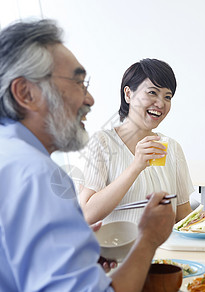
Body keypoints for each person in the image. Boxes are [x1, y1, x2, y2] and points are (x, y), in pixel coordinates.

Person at [0, 18, 175, 292]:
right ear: (26, 93)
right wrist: (149, 239)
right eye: (78, 82)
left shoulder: (11, 156)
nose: (90, 99)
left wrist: (79, 249)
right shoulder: (35, 174)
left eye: (168, 96)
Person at [79, 58, 194, 226]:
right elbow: (86, 214)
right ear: (128, 94)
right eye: (152, 92)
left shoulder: (172, 148)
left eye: (167, 97)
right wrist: (136, 166)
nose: (161, 103)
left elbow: (184, 217)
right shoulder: (102, 142)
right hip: (117, 251)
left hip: (164, 251)